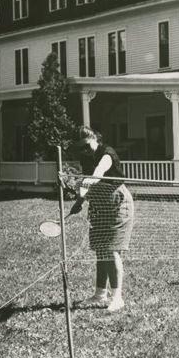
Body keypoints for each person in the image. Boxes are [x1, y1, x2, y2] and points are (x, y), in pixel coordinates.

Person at [69, 125, 135, 312]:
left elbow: (97, 173)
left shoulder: (107, 153)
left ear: (95, 139)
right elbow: (88, 179)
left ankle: (117, 298)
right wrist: (79, 201)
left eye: (87, 145)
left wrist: (83, 185)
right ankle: (100, 294)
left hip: (118, 203)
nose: (84, 150)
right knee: (100, 249)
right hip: (99, 204)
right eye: (81, 147)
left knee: (112, 249)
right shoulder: (85, 156)